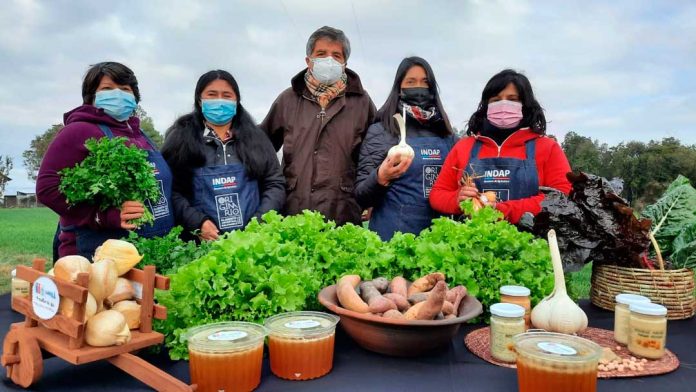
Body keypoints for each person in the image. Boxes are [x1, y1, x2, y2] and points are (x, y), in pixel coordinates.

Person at [37, 62, 174, 259]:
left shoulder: (142, 135)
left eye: (125, 89)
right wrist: (103, 216)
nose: (118, 94)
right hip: (96, 254)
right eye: (107, 89)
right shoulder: (77, 131)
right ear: (91, 96)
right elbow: (47, 188)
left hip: (146, 250)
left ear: (135, 97)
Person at [260, 26, 376, 226]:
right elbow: (261, 149)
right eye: (321, 54)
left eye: (336, 55)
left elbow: (375, 154)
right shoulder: (287, 100)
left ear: (344, 63)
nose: (329, 60)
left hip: (343, 212)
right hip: (293, 212)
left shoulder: (362, 102)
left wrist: (374, 196)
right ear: (308, 60)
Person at [429, 69, 572, 224]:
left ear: (525, 104)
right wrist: (457, 199)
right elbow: (437, 195)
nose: (503, 104)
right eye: (496, 99)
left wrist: (501, 210)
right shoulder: (463, 147)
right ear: (486, 106)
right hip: (472, 244)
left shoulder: (547, 148)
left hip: (533, 243)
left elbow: (562, 197)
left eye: (512, 99)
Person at [161, 70, 285, 241]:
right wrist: (198, 223)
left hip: (253, 240)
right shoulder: (180, 138)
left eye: (226, 95)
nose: (219, 100)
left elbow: (275, 182)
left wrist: (260, 221)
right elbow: (171, 189)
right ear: (199, 99)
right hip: (199, 243)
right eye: (212, 95)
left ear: (236, 101)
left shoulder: (256, 138)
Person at [355, 57, 456, 240]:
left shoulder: (447, 136)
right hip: (391, 238)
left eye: (424, 82)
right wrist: (380, 177)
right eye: (411, 82)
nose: (418, 87)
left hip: (438, 239)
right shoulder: (382, 131)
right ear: (399, 89)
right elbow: (361, 196)